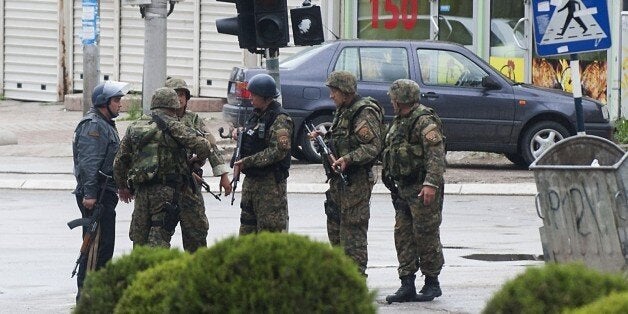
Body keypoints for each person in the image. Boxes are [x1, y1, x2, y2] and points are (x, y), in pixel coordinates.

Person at [113, 87, 213, 249]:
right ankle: (157, 272)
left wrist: (122, 186)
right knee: (159, 237)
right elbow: (204, 146)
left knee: (139, 237)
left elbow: (120, 161)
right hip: (167, 191)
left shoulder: (135, 126)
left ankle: (139, 271)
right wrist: (195, 162)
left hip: (141, 192)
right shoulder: (174, 126)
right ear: (173, 107)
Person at [309, 70, 384, 276]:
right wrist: (323, 136)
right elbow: (343, 137)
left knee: (353, 233)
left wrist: (348, 159)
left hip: (355, 181)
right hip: (338, 181)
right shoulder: (343, 110)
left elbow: (372, 147)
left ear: (346, 91)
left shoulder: (364, 112)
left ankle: (357, 278)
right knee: (335, 228)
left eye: (334, 91)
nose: (331, 95)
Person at [382, 79, 446, 303]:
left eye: (393, 98)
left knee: (426, 234)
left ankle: (431, 282)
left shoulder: (424, 121)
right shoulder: (400, 121)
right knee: (403, 234)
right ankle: (406, 283)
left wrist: (430, 184)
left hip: (421, 188)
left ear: (400, 99)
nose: (391, 101)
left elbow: (436, 156)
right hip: (403, 188)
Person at [72, 80, 130, 301]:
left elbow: (112, 162)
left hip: (105, 192)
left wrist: (122, 186)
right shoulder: (93, 125)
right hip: (96, 195)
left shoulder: (105, 124)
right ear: (104, 103)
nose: (120, 104)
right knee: (94, 250)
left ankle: (97, 296)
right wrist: (89, 194)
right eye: (116, 100)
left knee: (105, 247)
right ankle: (86, 298)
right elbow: (89, 163)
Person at [165, 77, 232, 252]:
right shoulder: (158, 120)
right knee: (159, 235)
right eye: (174, 95)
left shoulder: (193, 120)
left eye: (182, 94)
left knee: (196, 232)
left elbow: (211, 146)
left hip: (189, 185)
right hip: (165, 186)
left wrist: (223, 175)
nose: (178, 99)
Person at [232, 73, 293, 235]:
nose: (251, 98)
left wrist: (248, 161)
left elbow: (277, 151)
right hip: (251, 184)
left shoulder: (280, 119)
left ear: (265, 97)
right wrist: (240, 133)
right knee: (247, 233)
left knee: (269, 235)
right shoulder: (257, 114)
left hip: (270, 186)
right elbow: (253, 136)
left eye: (254, 95)